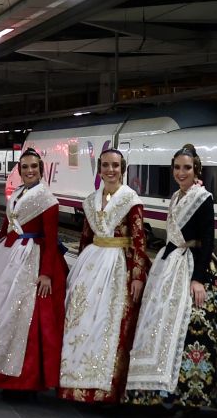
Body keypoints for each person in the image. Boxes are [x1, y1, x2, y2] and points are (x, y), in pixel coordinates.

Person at [124, 143, 217, 411]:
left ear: (196, 170)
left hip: (193, 266)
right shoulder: (176, 197)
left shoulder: (203, 198)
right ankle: (159, 393)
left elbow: (208, 242)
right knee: (160, 326)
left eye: (187, 168)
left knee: (193, 328)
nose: (181, 173)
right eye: (177, 168)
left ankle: (186, 397)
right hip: (171, 265)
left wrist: (199, 279)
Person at [58, 147, 150, 403]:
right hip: (91, 264)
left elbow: (139, 241)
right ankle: (76, 383)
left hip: (118, 266)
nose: (111, 170)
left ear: (123, 169)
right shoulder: (90, 200)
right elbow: (86, 238)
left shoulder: (131, 201)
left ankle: (104, 388)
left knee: (110, 324)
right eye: (106, 165)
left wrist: (137, 275)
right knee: (82, 321)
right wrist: (77, 271)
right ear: (99, 168)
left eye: (116, 166)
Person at [0, 148, 65, 395]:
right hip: (7, 257)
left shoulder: (48, 200)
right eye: (25, 167)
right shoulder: (17, 194)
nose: (30, 171)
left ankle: (21, 379)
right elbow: (6, 228)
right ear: (19, 171)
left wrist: (46, 274)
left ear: (41, 170)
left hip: (29, 259)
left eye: (34, 166)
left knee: (19, 315)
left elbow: (51, 239)